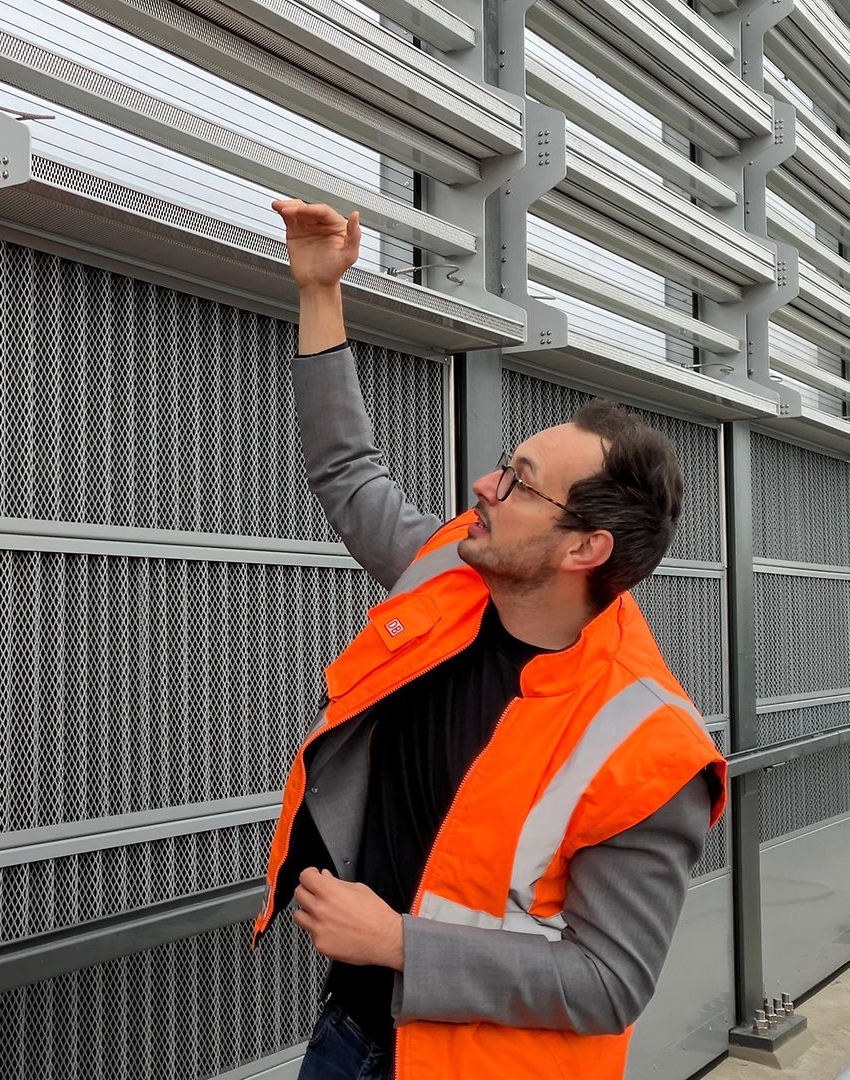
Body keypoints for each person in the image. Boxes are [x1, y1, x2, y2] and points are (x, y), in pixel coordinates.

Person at [253, 199, 728, 1080]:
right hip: (349, 1038)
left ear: (585, 548)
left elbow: (609, 981)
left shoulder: (646, 746)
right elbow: (347, 472)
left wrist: (401, 944)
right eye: (506, 464)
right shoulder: (452, 574)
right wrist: (320, 292)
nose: (484, 484)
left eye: (517, 483)